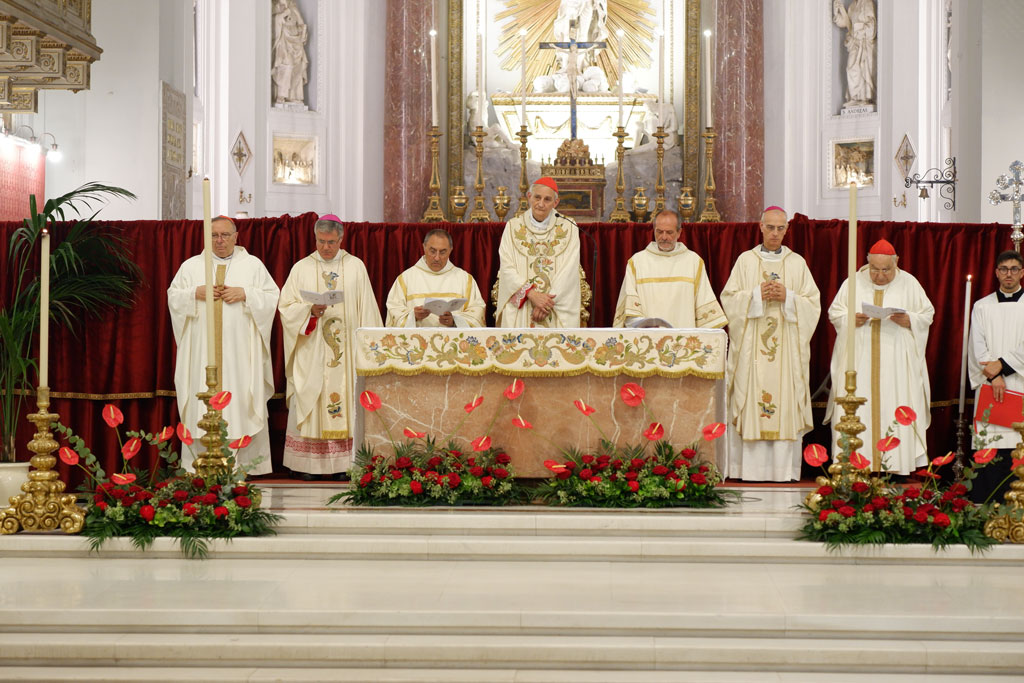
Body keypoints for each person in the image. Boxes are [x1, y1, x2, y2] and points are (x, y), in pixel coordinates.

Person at [167, 216, 280, 475]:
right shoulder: (192, 266)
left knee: (240, 400)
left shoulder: (252, 265)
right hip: (202, 354)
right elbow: (173, 297)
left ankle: (240, 467)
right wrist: (194, 293)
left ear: (236, 236)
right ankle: (198, 467)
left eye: (225, 235)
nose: (219, 241)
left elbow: (272, 297)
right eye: (214, 235)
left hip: (239, 356)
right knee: (200, 402)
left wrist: (246, 294)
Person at [278, 214, 382, 480]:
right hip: (312, 350)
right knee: (312, 396)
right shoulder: (301, 268)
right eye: (322, 242)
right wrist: (309, 311)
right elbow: (286, 308)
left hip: (346, 351)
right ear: (315, 239)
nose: (326, 247)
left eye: (332, 242)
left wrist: (369, 350)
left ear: (341, 239)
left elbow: (368, 309)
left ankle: (342, 465)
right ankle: (307, 465)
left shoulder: (355, 267)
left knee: (344, 399)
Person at [720, 206, 821, 481]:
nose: (775, 233)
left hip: (786, 351)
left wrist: (788, 296)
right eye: (770, 227)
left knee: (785, 397)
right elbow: (728, 299)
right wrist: (755, 295)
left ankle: (782, 470)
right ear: (761, 227)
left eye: (780, 228)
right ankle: (746, 469)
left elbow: (813, 304)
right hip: (752, 349)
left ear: (787, 230)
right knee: (750, 396)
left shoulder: (796, 263)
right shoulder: (745, 261)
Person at [825, 239, 934, 475]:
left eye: (886, 270)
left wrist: (909, 320)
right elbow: (835, 313)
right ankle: (855, 463)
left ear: (896, 264)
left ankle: (895, 465)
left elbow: (927, 314)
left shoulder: (909, 283)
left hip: (896, 362)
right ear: (867, 262)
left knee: (894, 404)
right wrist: (850, 319)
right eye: (875, 269)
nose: (880, 276)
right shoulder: (852, 283)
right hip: (859, 359)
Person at [967, 250, 1024, 503]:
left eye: (1013, 269)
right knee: (991, 446)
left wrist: (1002, 366)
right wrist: (993, 376)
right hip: (990, 387)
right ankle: (988, 508)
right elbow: (976, 346)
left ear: (1022, 273)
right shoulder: (982, 306)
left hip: (1021, 384)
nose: (1008, 274)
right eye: (1003, 269)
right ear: (996, 273)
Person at [613, 209, 727, 329]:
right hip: (647, 340)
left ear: (679, 232)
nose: (664, 237)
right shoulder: (637, 262)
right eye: (659, 232)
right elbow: (630, 310)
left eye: (669, 232)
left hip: (683, 340)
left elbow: (704, 306)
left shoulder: (693, 262)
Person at [495, 177, 582, 328]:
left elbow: (569, 271)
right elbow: (507, 268)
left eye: (547, 199)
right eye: (537, 197)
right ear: (529, 197)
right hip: (522, 308)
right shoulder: (512, 227)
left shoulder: (569, 227)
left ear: (556, 203)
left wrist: (546, 304)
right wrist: (531, 294)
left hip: (555, 308)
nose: (541, 204)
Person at [385, 229, 486, 328]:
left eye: (442, 252)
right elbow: (394, 311)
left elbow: (477, 313)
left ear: (451, 250)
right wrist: (413, 316)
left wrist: (455, 321)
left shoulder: (465, 279)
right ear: (424, 247)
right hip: (416, 342)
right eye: (432, 251)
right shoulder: (406, 279)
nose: (437, 258)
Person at [833, 0, 876, 107]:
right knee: (850, 68)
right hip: (854, 43)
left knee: (862, 68)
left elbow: (872, 26)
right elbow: (848, 24)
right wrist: (838, 12)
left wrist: (859, 30)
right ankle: (855, 97)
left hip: (864, 43)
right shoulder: (852, 6)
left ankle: (864, 97)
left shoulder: (868, 3)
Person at [271, 0, 309, 106]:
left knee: (298, 66)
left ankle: (294, 95)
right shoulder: (275, 6)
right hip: (283, 42)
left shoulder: (294, 9)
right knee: (287, 65)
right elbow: (272, 23)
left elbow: (301, 24)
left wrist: (302, 33)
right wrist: (282, 15)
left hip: (295, 43)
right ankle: (281, 94)